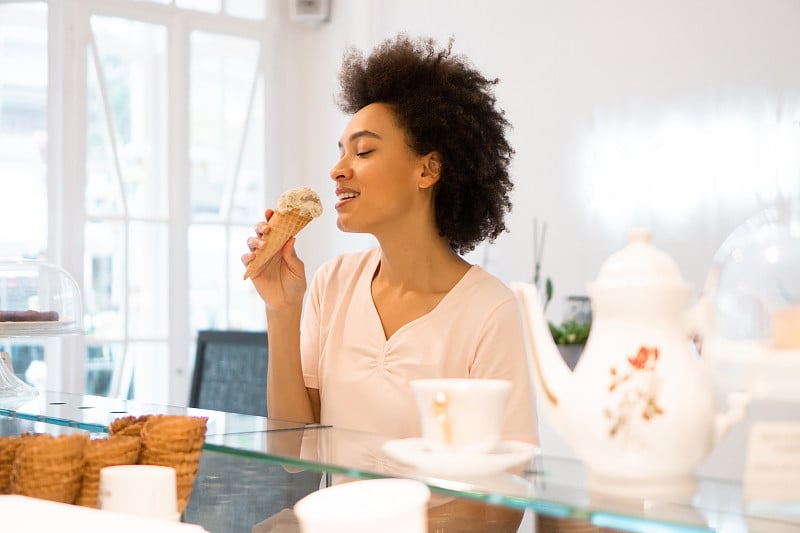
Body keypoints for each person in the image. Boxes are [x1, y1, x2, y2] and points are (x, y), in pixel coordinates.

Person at [244, 33, 537, 532]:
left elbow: (503, 509)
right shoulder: (332, 283)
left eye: (363, 152)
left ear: (428, 169)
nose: (338, 170)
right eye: (340, 152)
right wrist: (281, 308)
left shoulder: (490, 310)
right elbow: (289, 454)